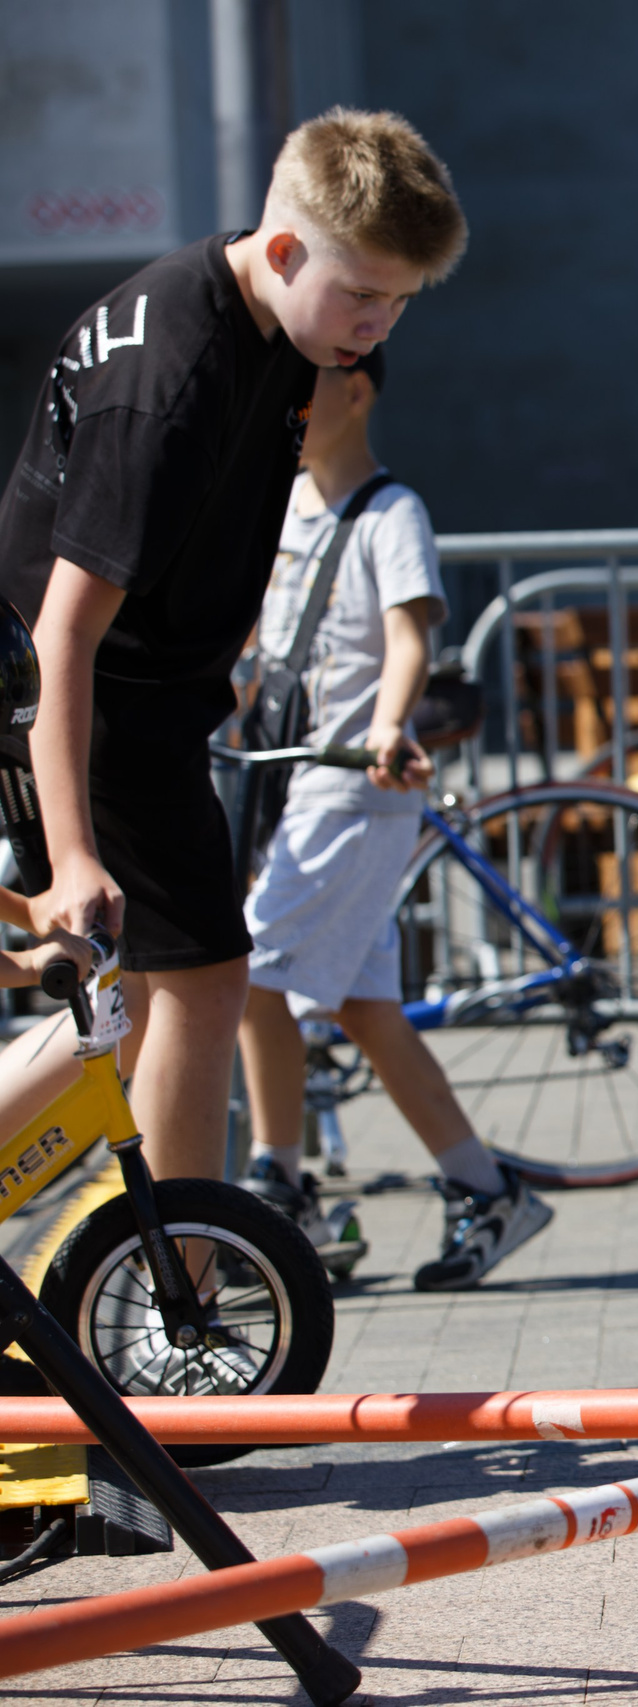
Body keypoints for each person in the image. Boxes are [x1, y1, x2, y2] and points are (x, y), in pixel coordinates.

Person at [0, 108, 466, 1186]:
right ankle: (184, 1278)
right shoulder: (170, 384)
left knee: (146, 999)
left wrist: (239, 661)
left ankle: (169, 1262)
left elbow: (225, 533)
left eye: (402, 301)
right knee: (207, 983)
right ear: (287, 248)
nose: (379, 326)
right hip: (84, 700)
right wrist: (73, 855)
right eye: (363, 294)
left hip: (142, 698)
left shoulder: (287, 331)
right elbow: (65, 631)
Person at [231, 349, 553, 1291]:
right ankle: (484, 1187)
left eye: (303, 388)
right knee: (365, 1009)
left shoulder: (391, 510)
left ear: (357, 388)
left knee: (244, 966)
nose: (287, 409)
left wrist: (386, 722)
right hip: (294, 780)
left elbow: (411, 633)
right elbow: (256, 638)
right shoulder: (285, 503)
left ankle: (280, 1181)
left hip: (355, 784)